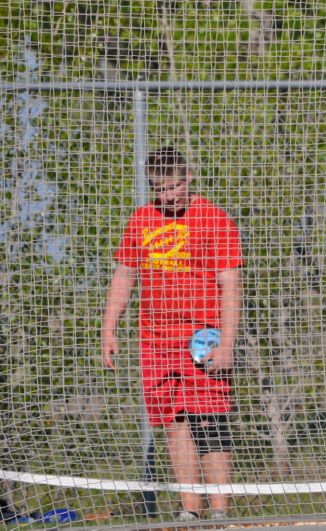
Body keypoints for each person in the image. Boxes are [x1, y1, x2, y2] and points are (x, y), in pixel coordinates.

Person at [102, 147, 243, 522]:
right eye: (160, 189)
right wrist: (108, 327)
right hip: (155, 339)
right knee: (173, 422)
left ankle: (220, 512)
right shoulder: (141, 220)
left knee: (210, 420)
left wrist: (226, 344)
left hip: (203, 336)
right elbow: (125, 275)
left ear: (189, 177)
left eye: (175, 186)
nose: (169, 196)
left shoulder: (213, 219)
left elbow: (230, 284)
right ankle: (189, 511)